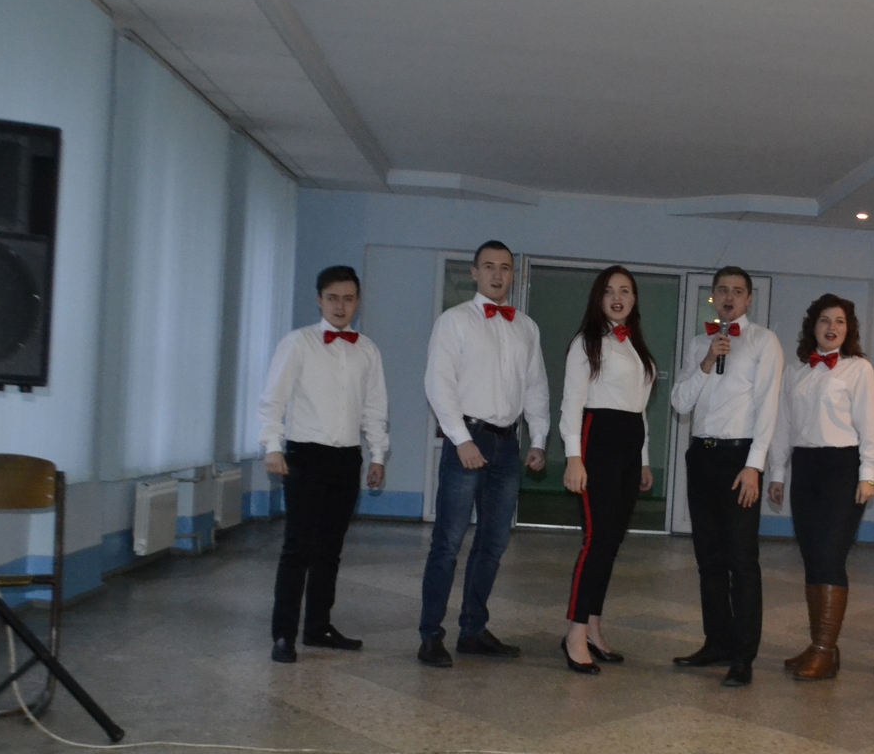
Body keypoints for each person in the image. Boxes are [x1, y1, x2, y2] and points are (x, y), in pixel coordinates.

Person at [417, 240, 550, 668]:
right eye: (489, 266)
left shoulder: (526, 327)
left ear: (514, 275)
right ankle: (430, 636)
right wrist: (461, 439)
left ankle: (473, 630)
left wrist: (538, 439)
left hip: (507, 445)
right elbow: (439, 384)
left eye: (505, 267)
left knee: (493, 544)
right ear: (474, 272)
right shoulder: (454, 321)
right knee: (448, 543)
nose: (497, 274)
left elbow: (535, 387)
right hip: (467, 440)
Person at [259, 265, 389, 664]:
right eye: (333, 298)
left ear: (358, 302)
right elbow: (273, 400)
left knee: (330, 550)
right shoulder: (297, 344)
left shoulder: (368, 350)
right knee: (297, 547)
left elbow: (374, 408)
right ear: (319, 300)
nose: (340, 306)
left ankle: (318, 627)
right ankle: (284, 635)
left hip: (346, 458)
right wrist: (272, 446)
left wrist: (378, 454)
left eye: (348, 299)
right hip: (304, 456)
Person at [668, 266, 783, 687]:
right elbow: (680, 404)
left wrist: (755, 466)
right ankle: (716, 640)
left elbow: (767, 407)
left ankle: (744, 655)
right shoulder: (700, 343)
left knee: (741, 560)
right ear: (713, 297)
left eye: (737, 291)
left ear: (749, 299)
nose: (729, 298)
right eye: (722, 290)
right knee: (708, 558)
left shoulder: (764, 341)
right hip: (702, 455)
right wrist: (706, 362)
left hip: (739, 458)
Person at [767, 294, 874, 681]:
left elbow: (870, 425)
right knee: (812, 557)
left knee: (831, 557)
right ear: (812, 326)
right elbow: (783, 423)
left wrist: (868, 475)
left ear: (849, 329)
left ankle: (823, 650)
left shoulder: (859, 369)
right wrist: (778, 472)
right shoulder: (797, 370)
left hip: (843, 468)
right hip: (805, 466)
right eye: (825, 320)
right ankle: (821, 646)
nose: (832, 327)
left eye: (840, 321)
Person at [559, 266, 657, 674]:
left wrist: (644, 459)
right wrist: (573, 457)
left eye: (626, 291)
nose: (618, 298)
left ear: (634, 299)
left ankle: (594, 629)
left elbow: (640, 408)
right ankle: (575, 633)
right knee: (596, 541)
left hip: (629, 443)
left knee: (612, 542)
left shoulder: (634, 344)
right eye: (610, 291)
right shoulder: (586, 342)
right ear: (598, 298)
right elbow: (571, 402)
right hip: (597, 440)